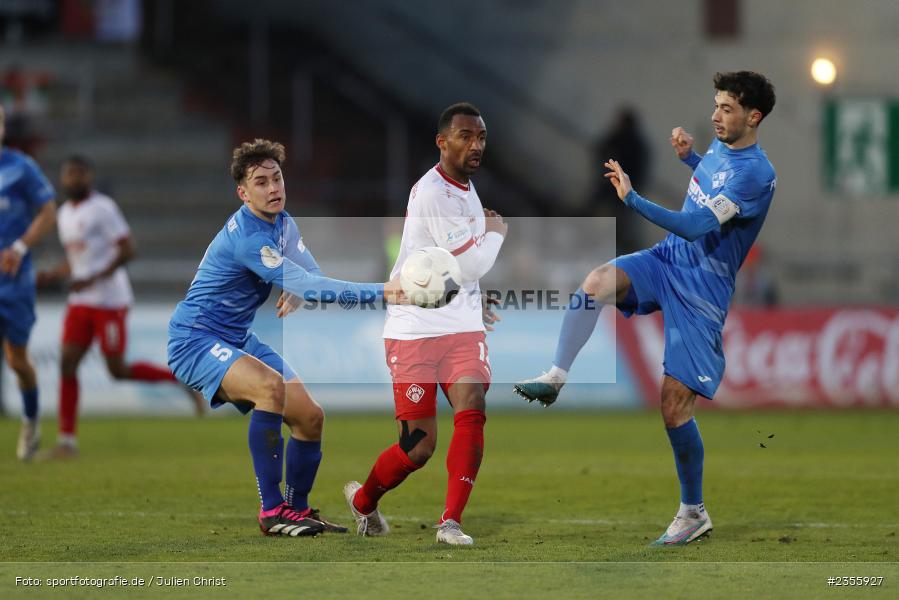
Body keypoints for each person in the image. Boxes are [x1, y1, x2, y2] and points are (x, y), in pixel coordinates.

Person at [515, 72, 777, 546]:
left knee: (673, 405)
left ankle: (693, 512)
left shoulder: (757, 174)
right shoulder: (721, 149)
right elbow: (712, 182)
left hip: (701, 290)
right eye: (715, 105)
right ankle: (555, 375)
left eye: (727, 109)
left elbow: (698, 225)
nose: (716, 115)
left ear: (753, 117)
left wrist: (632, 198)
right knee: (596, 282)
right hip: (667, 260)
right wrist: (690, 158)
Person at [167, 139, 408, 537]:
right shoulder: (248, 237)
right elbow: (312, 285)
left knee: (311, 418)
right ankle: (271, 511)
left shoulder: (283, 223)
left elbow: (308, 273)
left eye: (276, 178)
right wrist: (384, 290)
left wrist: (297, 284)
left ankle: (297, 509)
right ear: (243, 193)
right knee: (269, 388)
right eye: (261, 182)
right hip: (194, 338)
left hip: (235, 337)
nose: (273, 188)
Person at [344, 102, 507, 546]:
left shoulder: (466, 190)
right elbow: (471, 262)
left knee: (472, 407)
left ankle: (450, 522)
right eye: (466, 136)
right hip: (413, 329)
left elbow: (457, 270)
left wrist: (475, 302)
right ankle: (364, 503)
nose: (476, 146)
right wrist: (497, 233)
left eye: (482, 137)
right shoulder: (433, 192)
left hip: (459, 330)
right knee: (418, 447)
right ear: (442, 141)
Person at [36, 155, 204, 460]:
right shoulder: (63, 215)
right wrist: (56, 274)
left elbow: (128, 250)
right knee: (66, 364)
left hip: (110, 301)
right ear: (62, 179)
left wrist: (93, 279)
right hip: (81, 303)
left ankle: (179, 380)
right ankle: (67, 442)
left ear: (90, 177)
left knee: (117, 370)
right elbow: (78, 261)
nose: (74, 179)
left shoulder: (103, 208)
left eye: (80, 174)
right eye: (69, 174)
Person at [0, 104, 57, 461]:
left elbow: (49, 211)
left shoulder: (20, 167)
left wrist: (20, 247)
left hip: (13, 279)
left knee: (17, 359)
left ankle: (31, 421)